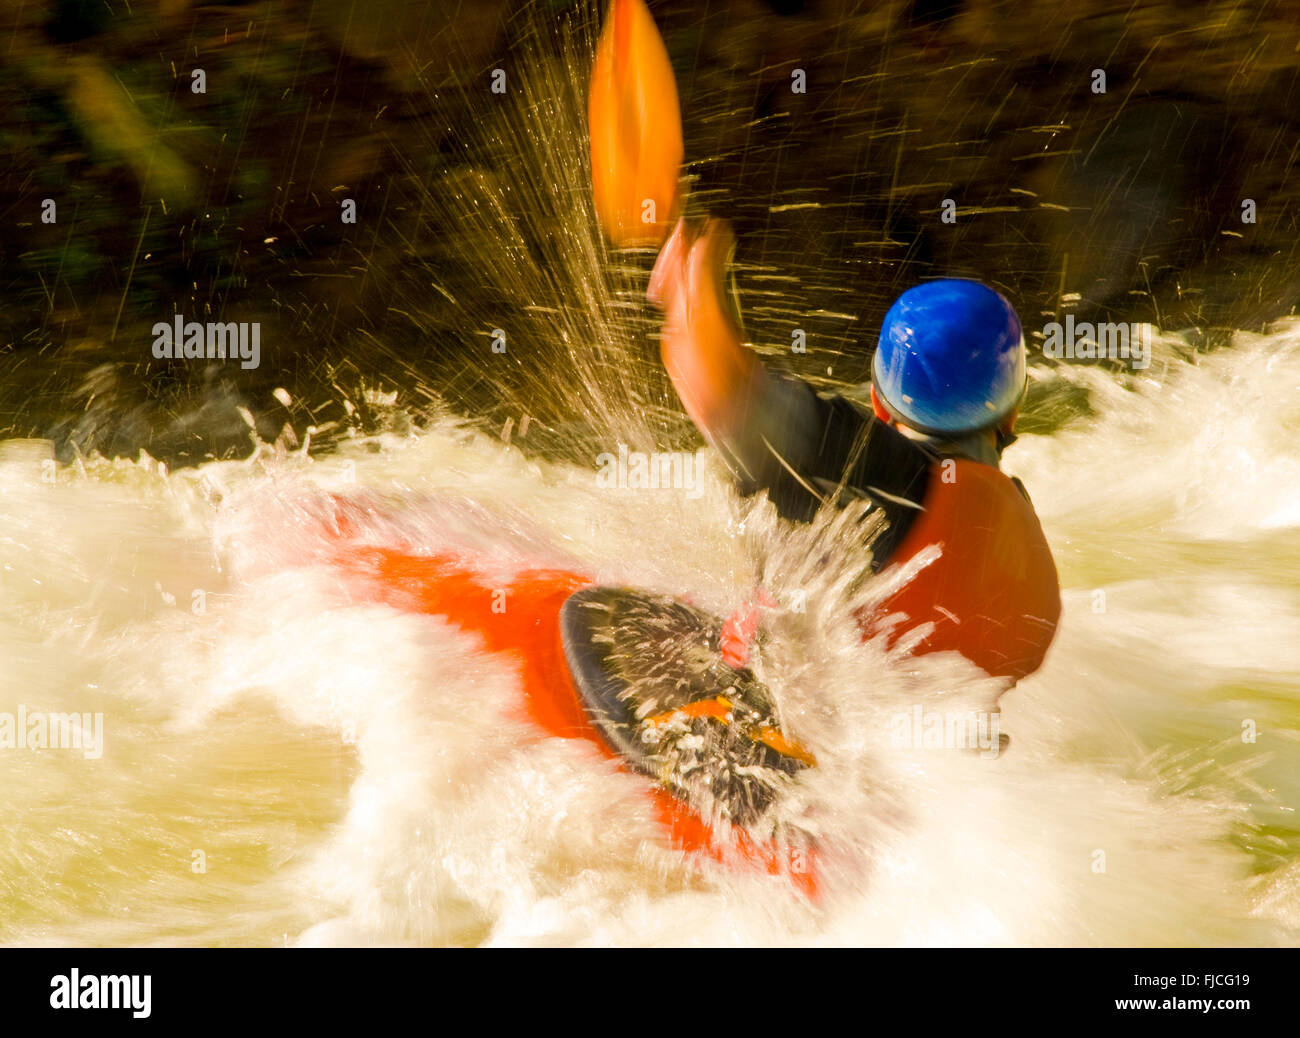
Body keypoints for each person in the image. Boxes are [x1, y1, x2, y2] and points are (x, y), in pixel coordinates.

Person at [647, 217, 1060, 686]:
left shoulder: (880, 473)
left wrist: (691, 276)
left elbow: (719, 393)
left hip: (788, 732)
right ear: (1013, 413)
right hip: (938, 748)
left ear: (879, 403)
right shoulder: (1013, 521)